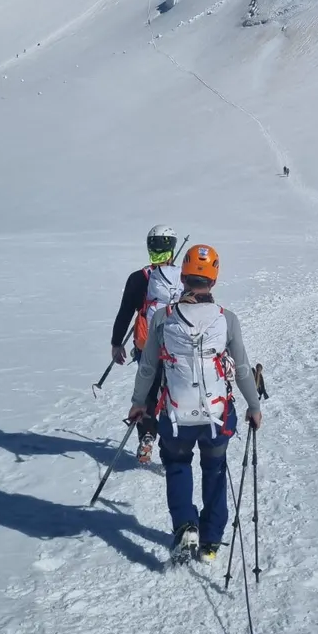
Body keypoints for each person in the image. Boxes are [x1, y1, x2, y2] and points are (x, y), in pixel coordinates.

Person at [128, 243, 262, 562]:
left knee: (177, 465)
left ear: (184, 278)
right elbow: (242, 368)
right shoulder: (226, 319)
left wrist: (138, 403)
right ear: (213, 281)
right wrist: (254, 406)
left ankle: (185, 526)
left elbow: (148, 367)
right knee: (214, 469)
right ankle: (211, 543)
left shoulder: (163, 317)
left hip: (175, 416)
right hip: (217, 416)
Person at [110, 224, 183, 463]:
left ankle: (147, 436)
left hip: (146, 346)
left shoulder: (139, 278)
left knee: (148, 394)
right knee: (175, 396)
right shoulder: (184, 277)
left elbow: (125, 312)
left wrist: (116, 343)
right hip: (178, 349)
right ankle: (172, 446)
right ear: (172, 247)